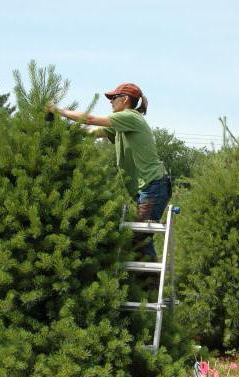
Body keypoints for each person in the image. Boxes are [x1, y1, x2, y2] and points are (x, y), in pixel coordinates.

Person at [48, 83, 170, 259]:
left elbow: (90, 119)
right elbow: (92, 131)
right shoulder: (121, 124)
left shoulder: (130, 117)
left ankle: (149, 286)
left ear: (125, 100)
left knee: (139, 239)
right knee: (138, 239)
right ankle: (146, 283)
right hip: (147, 188)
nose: (110, 102)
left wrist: (59, 111)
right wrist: (63, 127)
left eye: (113, 98)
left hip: (153, 185)